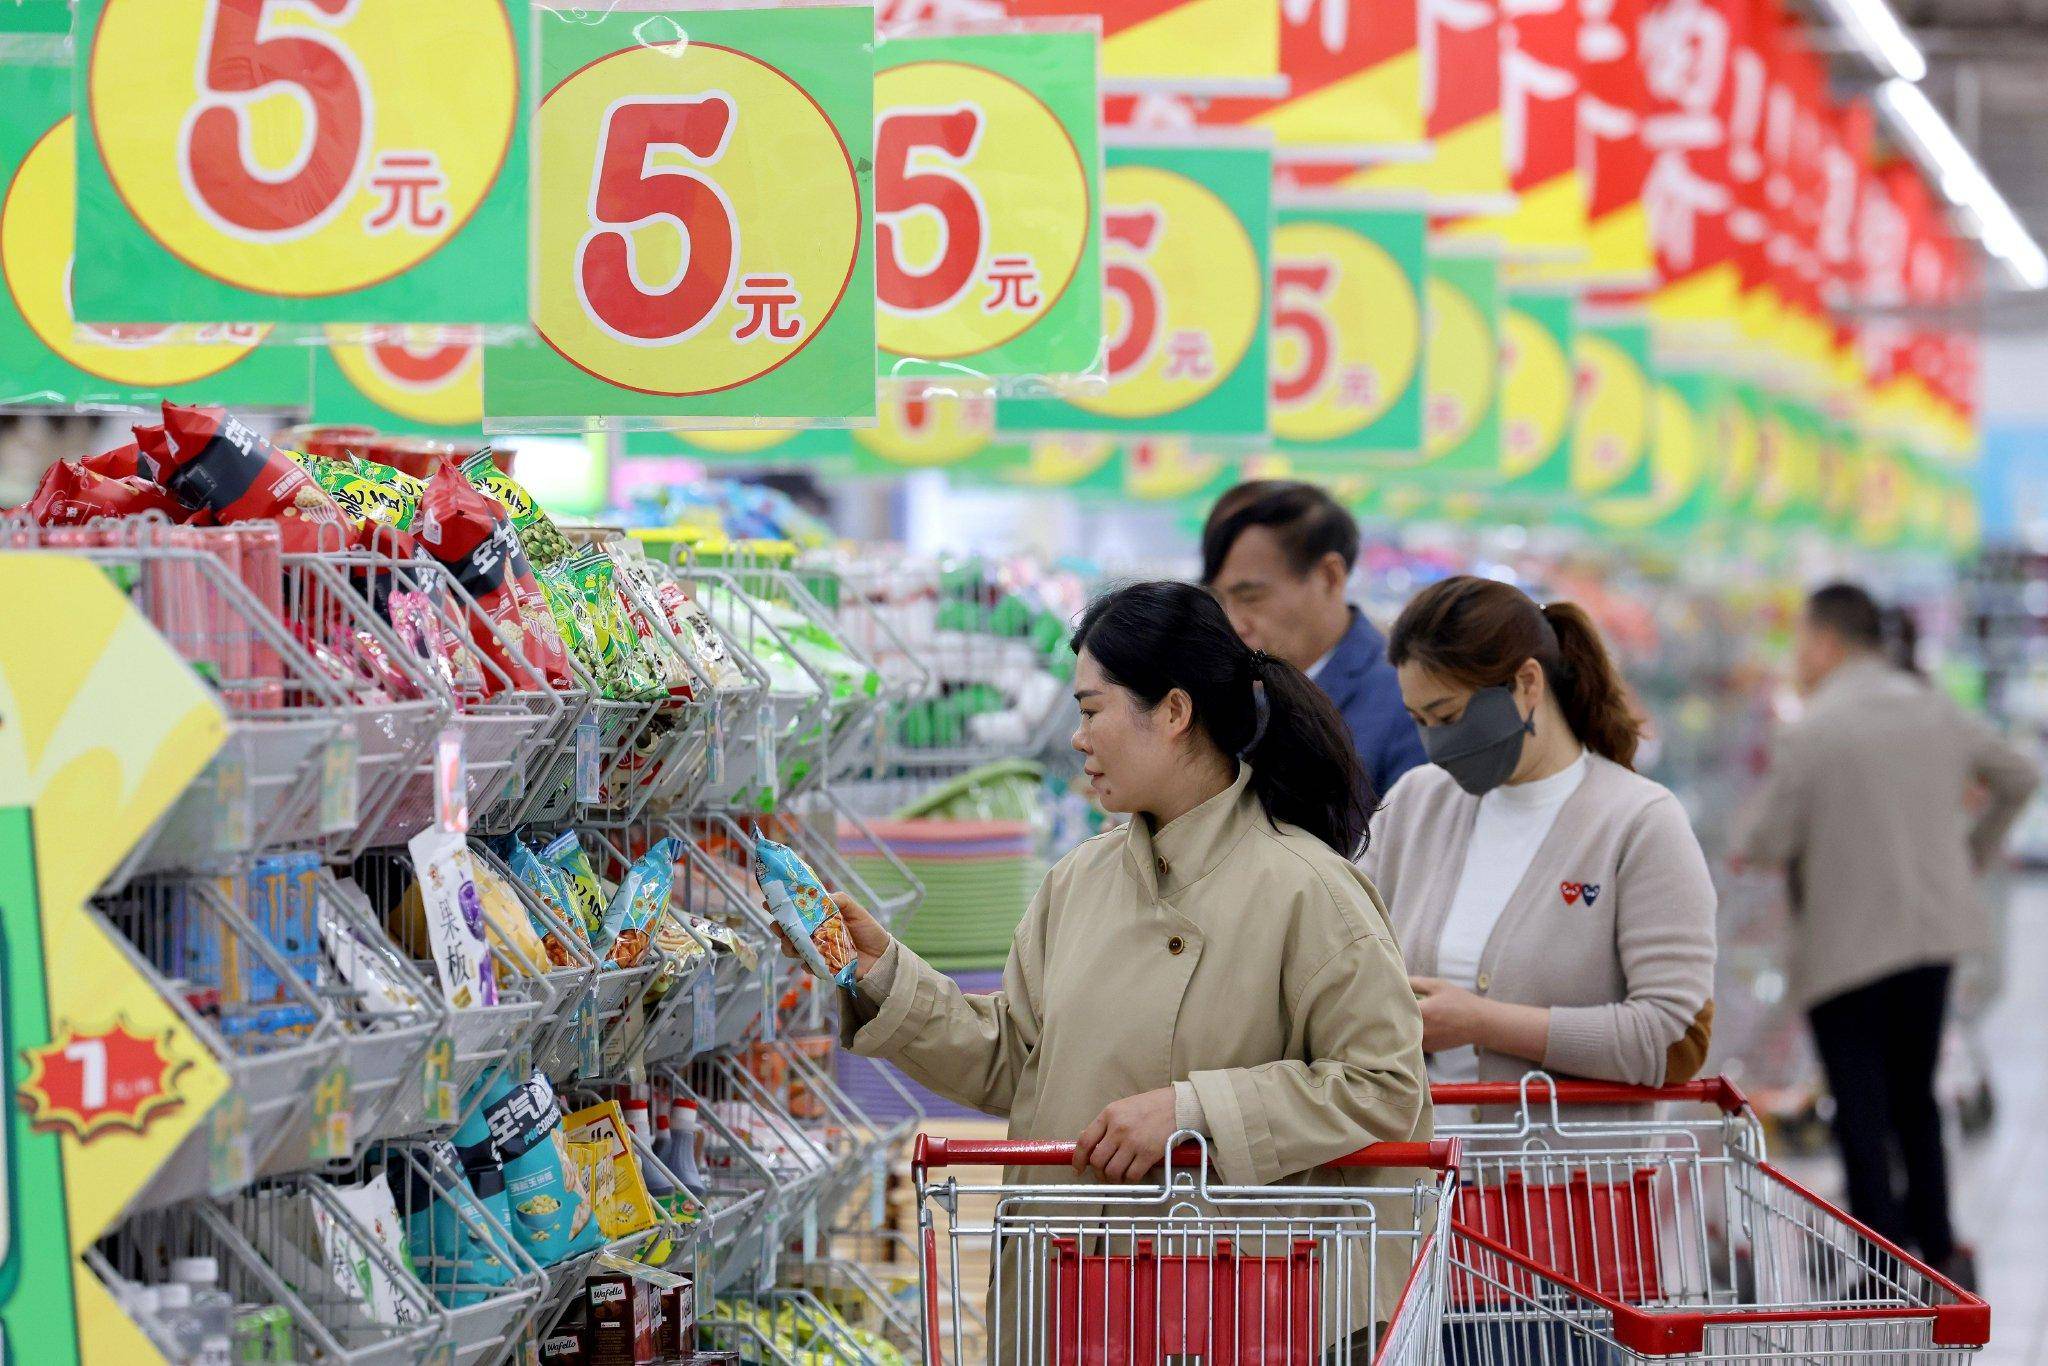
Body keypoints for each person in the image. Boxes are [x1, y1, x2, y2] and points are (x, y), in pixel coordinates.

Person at [790, 581, 1433, 1347]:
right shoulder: (1079, 881)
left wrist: (1195, 1111)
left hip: (1238, 1315)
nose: (1077, 738)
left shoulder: (1310, 889)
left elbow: (1385, 1086)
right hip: (1070, 1299)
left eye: (1093, 710)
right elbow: (1017, 1060)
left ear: (1174, 711)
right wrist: (880, 973)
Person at [1731, 582, 2038, 1290]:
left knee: (1860, 1105)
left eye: (1801, 642)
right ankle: (1943, 1249)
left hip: (1844, 945)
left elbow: (1762, 841)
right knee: (1915, 1096)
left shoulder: (1814, 728)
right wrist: (1970, 854)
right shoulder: (1934, 707)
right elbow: (2019, 776)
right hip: (1930, 937)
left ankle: (1882, 1265)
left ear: (1827, 643)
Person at [1364, 576, 1719, 1097]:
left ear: (1528, 684)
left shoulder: (1639, 824)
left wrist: (1483, 1023)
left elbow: (1674, 1040)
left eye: (1448, 716)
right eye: (1419, 720)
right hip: (1425, 1149)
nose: (1435, 744)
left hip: (1563, 1152)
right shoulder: (1415, 804)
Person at [1202, 481, 1426, 802]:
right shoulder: (1225, 697)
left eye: (1251, 597)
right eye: (1220, 600)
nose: (1234, 624)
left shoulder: (1407, 702)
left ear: (1329, 577)